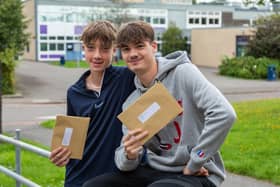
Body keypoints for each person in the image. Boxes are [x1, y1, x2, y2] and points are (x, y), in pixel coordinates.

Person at [83, 21, 237, 187]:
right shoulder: (132, 102)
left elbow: (224, 114)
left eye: (139, 46)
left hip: (196, 171)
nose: (133, 53)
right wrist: (130, 154)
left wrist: (197, 160)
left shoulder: (183, 73)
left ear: (154, 47)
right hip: (155, 169)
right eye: (126, 49)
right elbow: (124, 162)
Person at [49, 20, 135, 187]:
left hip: (112, 178)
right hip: (78, 177)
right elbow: (71, 138)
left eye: (104, 49)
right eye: (91, 48)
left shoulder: (127, 78)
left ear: (114, 50)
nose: (97, 55)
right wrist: (61, 154)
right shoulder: (74, 92)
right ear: (83, 50)